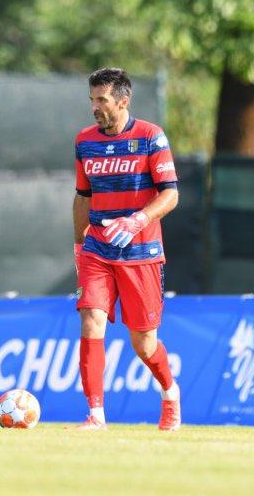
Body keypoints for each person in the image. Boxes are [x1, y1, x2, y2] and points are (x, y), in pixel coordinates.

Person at [72, 67, 180, 431]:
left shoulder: (151, 137)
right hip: (98, 249)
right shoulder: (84, 141)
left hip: (141, 252)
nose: (95, 107)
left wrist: (138, 219)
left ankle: (170, 392)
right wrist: (79, 246)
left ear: (123, 100)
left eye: (101, 99)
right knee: (91, 318)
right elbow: (82, 197)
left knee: (144, 344)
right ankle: (96, 416)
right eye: (92, 100)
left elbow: (170, 194)